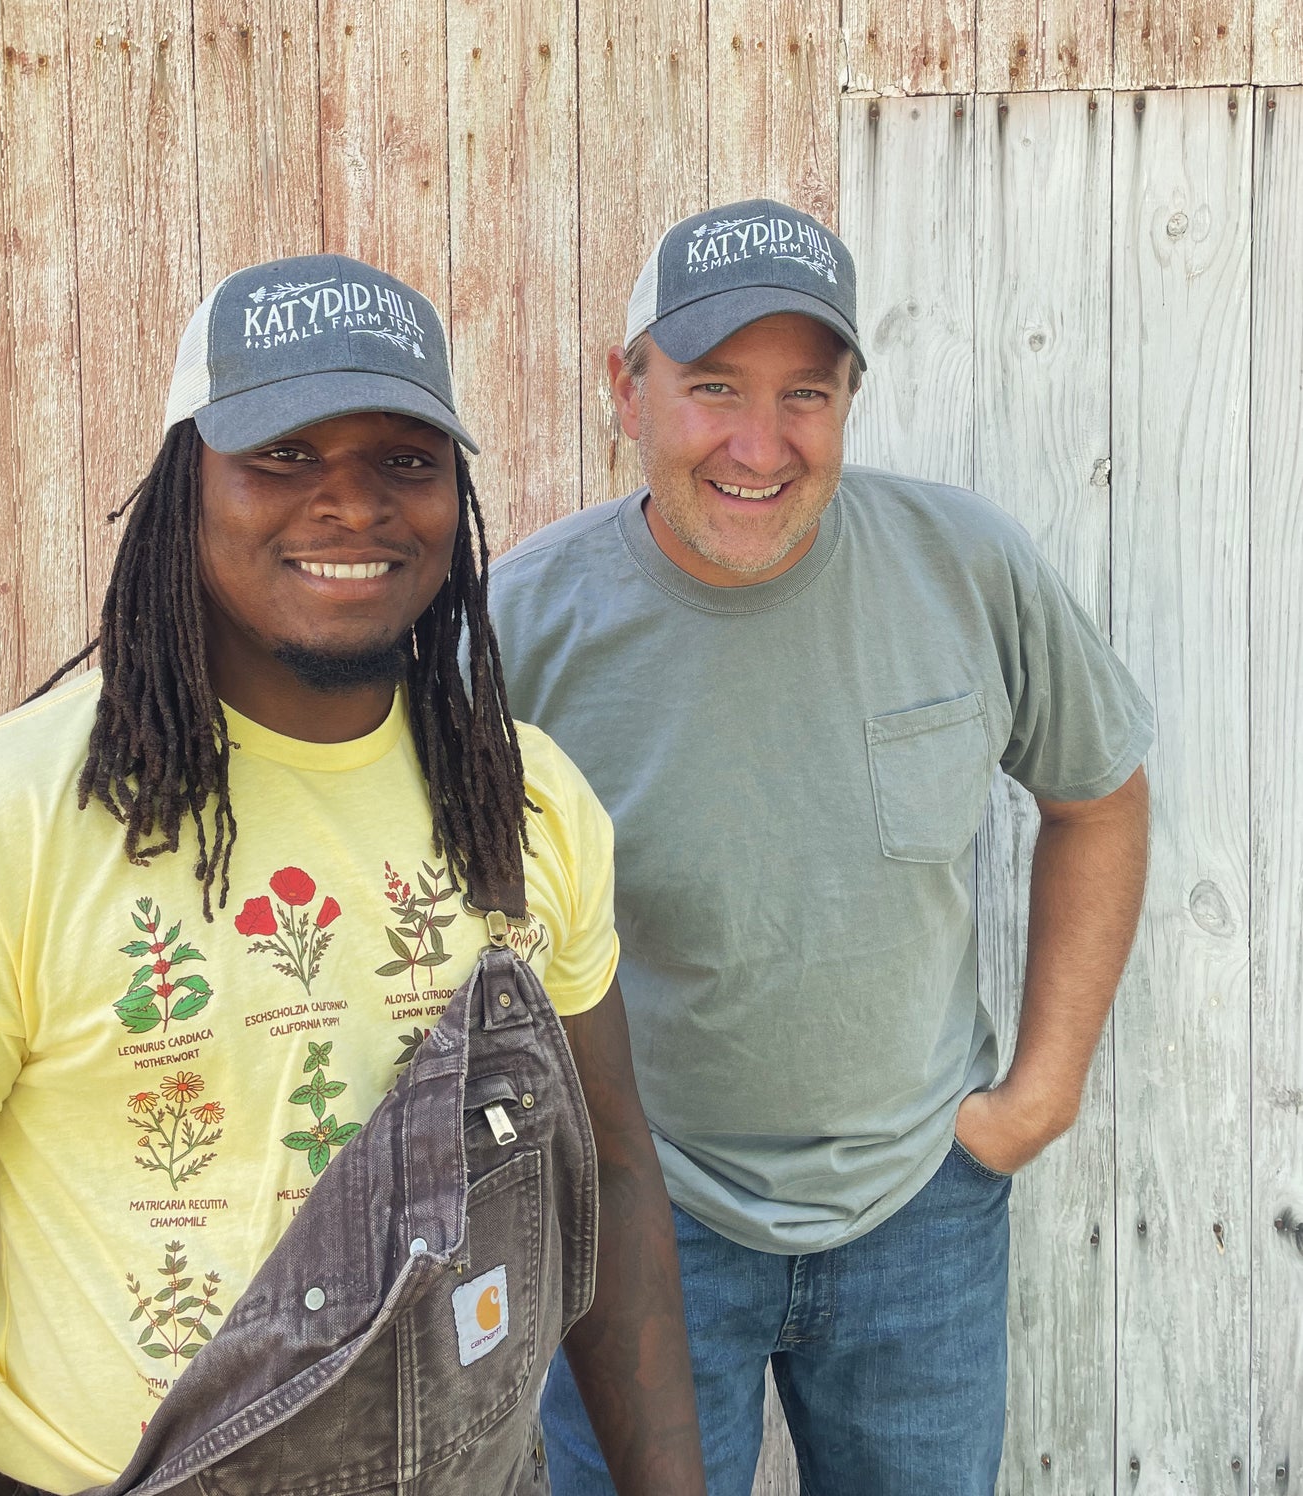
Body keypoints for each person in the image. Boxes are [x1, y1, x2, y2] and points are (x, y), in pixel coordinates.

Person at [0, 253, 703, 1496]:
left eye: (404, 458)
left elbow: (607, 1167)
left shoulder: (529, 798)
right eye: (282, 453)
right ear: (187, 485)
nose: (351, 504)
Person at [487, 198, 1153, 1496]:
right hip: (643, 1225)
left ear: (850, 398)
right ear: (626, 390)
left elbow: (1099, 795)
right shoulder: (525, 624)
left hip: (924, 1209)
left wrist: (1043, 1092)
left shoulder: (964, 567)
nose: (758, 441)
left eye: (806, 391)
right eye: (713, 386)